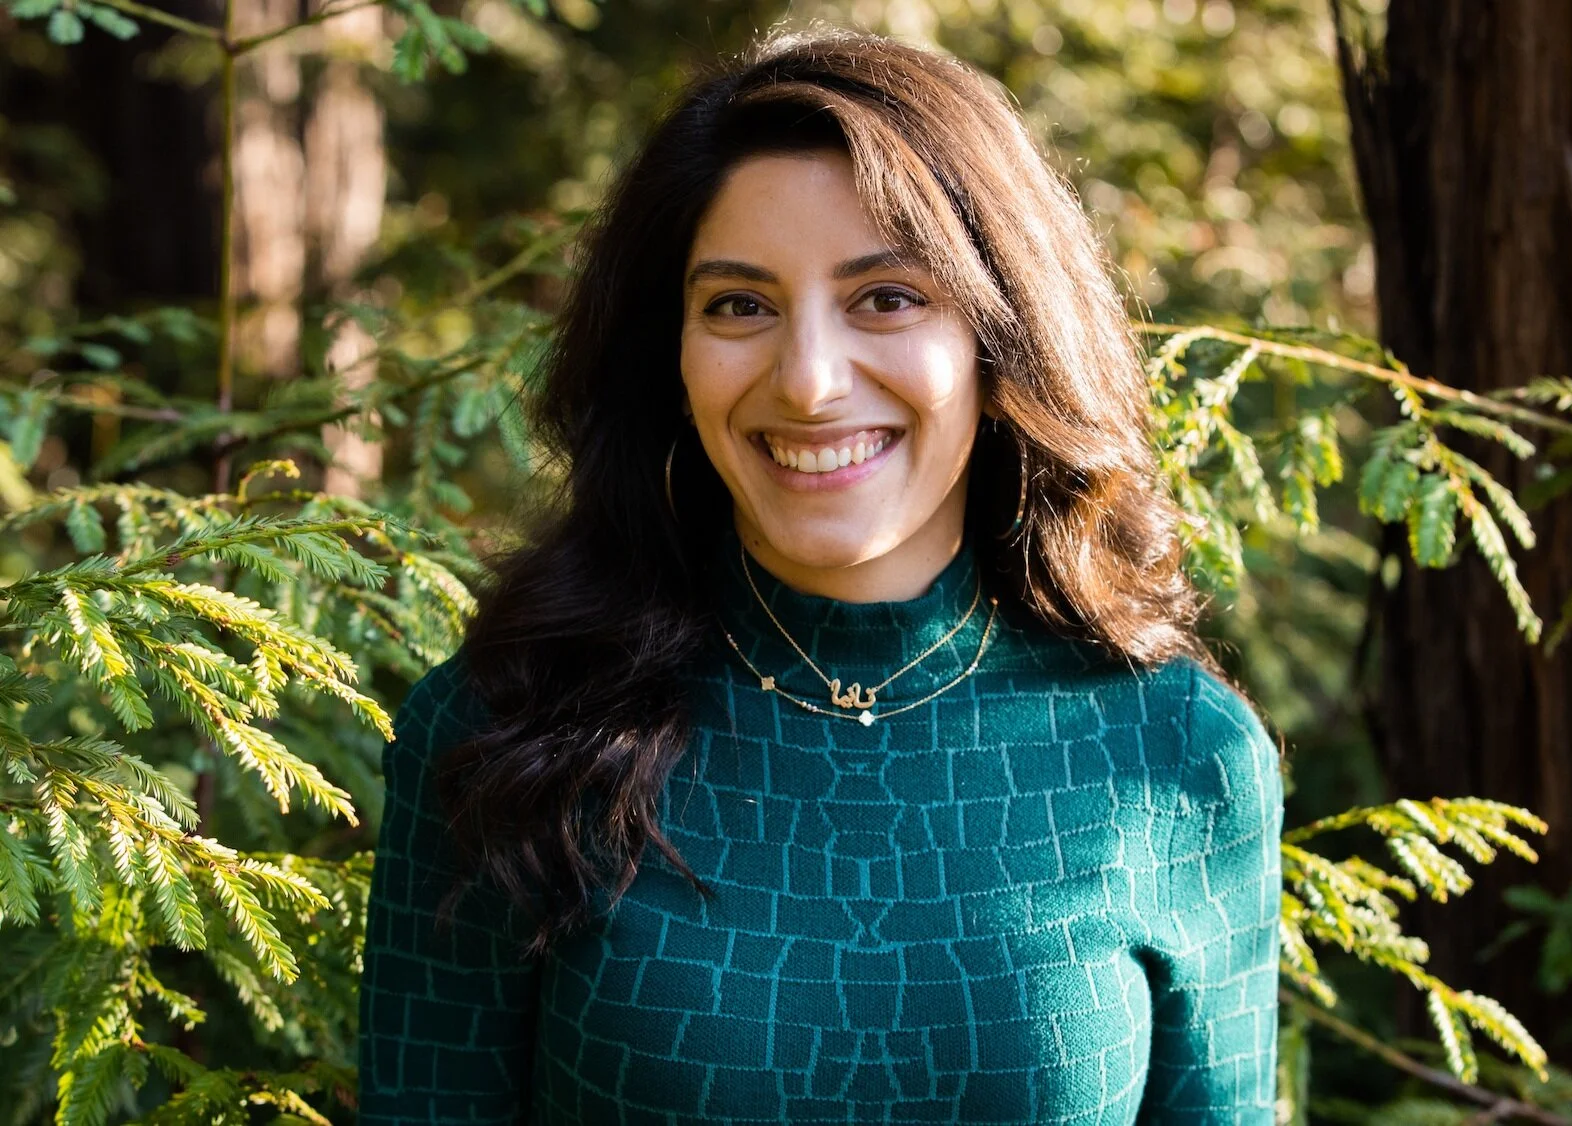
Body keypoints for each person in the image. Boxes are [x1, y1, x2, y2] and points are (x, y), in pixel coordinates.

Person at [356, 24, 1284, 1125]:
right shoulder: (504, 731)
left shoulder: (1178, 751)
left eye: (887, 297)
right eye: (739, 305)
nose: (807, 383)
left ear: (1004, 339)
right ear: (673, 353)